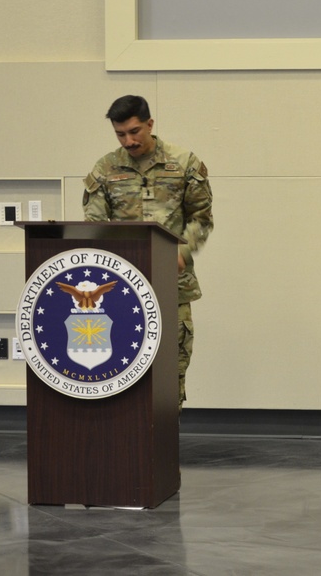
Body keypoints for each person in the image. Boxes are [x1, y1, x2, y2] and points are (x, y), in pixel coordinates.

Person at [83, 95, 214, 413]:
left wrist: (182, 250)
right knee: (120, 370)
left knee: (170, 373)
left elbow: (201, 218)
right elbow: (95, 225)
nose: (128, 141)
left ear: (150, 124)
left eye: (134, 131)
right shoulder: (106, 169)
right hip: (119, 292)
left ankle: (165, 454)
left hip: (172, 287)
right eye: (120, 134)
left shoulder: (184, 164)